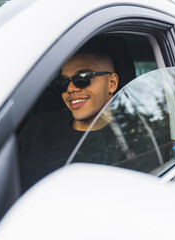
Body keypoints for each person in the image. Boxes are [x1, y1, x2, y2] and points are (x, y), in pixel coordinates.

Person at [18, 41, 120, 192]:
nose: (70, 89)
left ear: (112, 83)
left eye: (82, 78)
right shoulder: (37, 128)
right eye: (63, 82)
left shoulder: (132, 138)